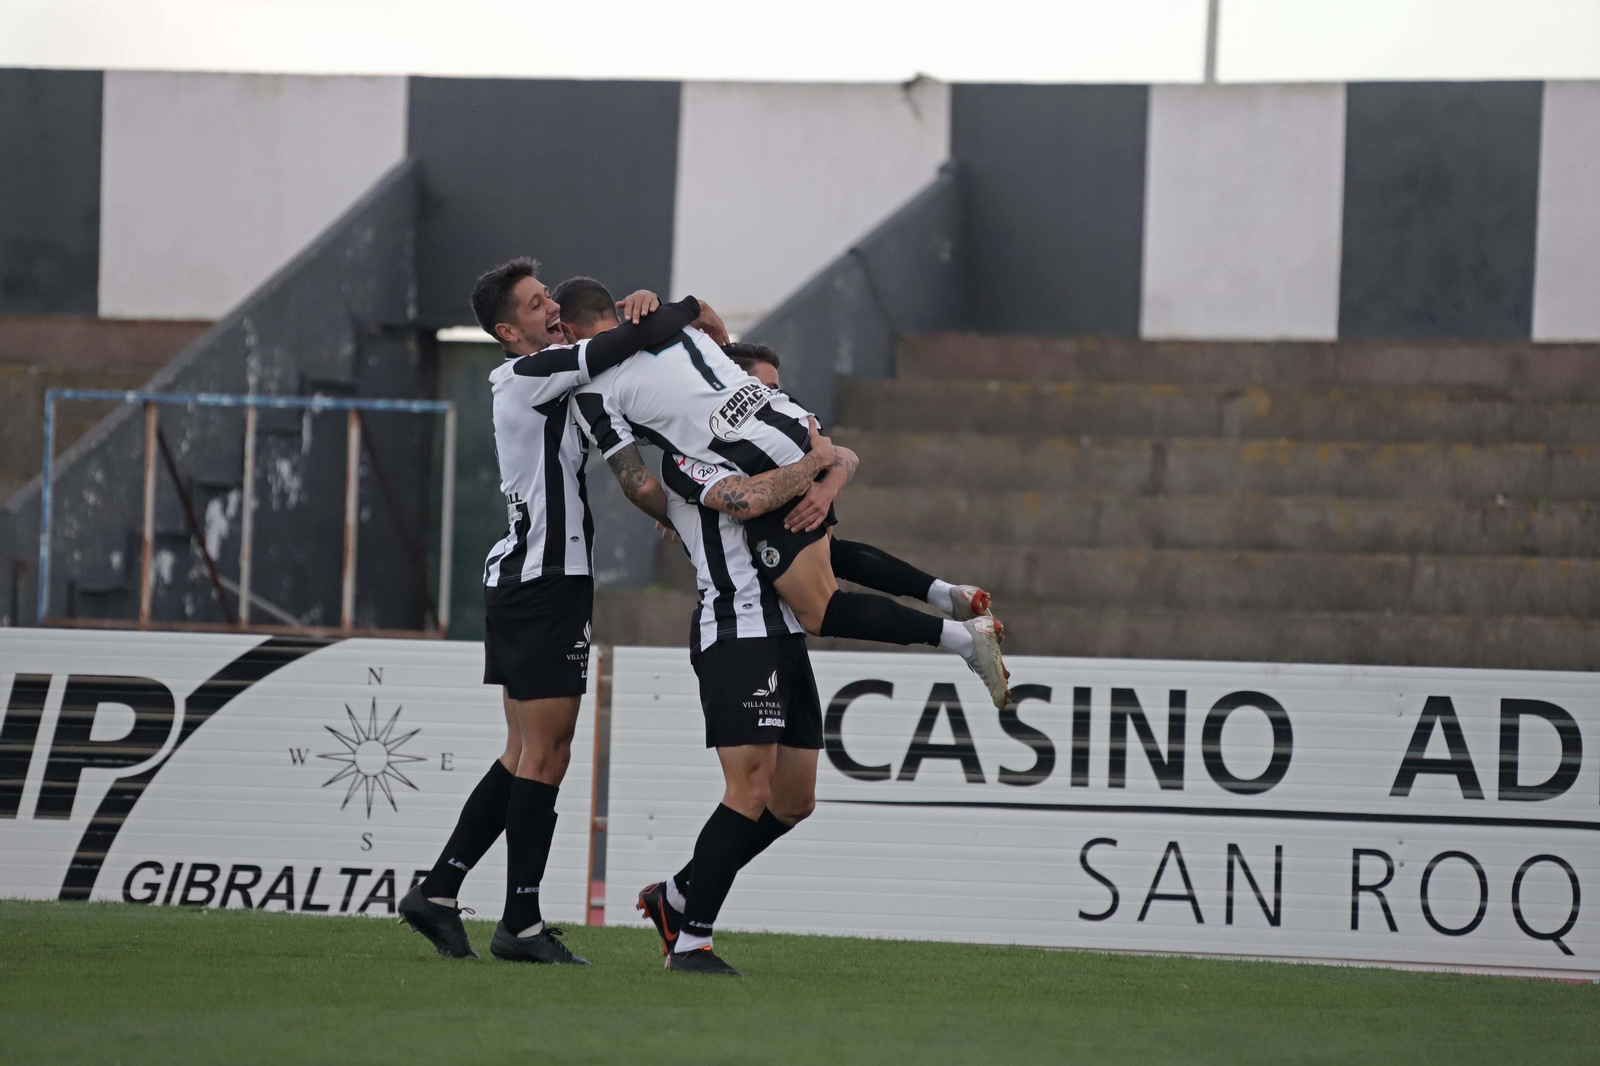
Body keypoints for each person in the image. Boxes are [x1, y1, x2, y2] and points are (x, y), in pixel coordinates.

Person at [556, 277, 1007, 975]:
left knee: (795, 801)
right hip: (736, 629)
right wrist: (814, 464)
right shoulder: (680, 462)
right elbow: (740, 494)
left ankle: (678, 895)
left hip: (782, 635)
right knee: (752, 787)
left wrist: (826, 469)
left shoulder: (717, 395)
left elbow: (812, 466)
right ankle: (694, 942)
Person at [397, 257, 723, 966]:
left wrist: (688, 515)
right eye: (535, 304)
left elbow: (628, 466)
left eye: (550, 298)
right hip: (541, 582)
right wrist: (683, 305)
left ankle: (440, 892)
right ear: (508, 331)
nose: (551, 309)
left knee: (525, 754)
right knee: (546, 752)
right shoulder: (526, 376)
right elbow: (627, 342)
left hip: (538, 581)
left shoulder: (565, 384)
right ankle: (519, 922)